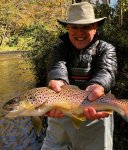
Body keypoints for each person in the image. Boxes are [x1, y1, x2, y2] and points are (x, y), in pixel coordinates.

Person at [41, 2, 117, 150]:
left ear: (95, 28)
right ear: (68, 28)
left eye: (85, 27)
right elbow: (57, 69)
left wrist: (97, 86)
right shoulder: (58, 49)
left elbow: (106, 71)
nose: (79, 32)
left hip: (95, 112)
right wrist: (58, 82)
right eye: (74, 27)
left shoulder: (107, 49)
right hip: (62, 111)